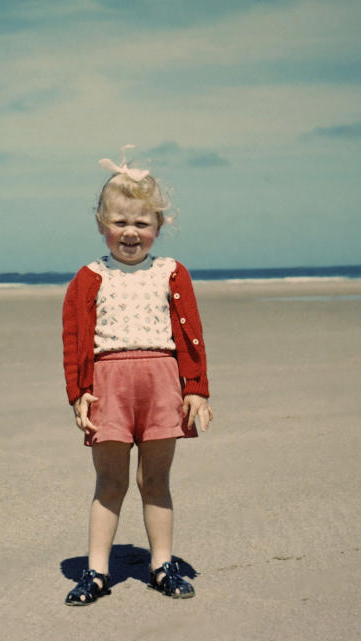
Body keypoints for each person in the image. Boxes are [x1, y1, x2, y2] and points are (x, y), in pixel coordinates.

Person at [61, 146, 213, 605]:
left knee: (155, 480)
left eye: (142, 223)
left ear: (158, 227)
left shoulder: (172, 273)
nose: (131, 232)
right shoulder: (88, 278)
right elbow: (74, 342)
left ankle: (162, 565)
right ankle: (96, 571)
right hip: (108, 385)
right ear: (101, 224)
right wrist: (79, 393)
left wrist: (197, 390)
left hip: (163, 383)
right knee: (110, 483)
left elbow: (192, 338)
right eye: (120, 222)